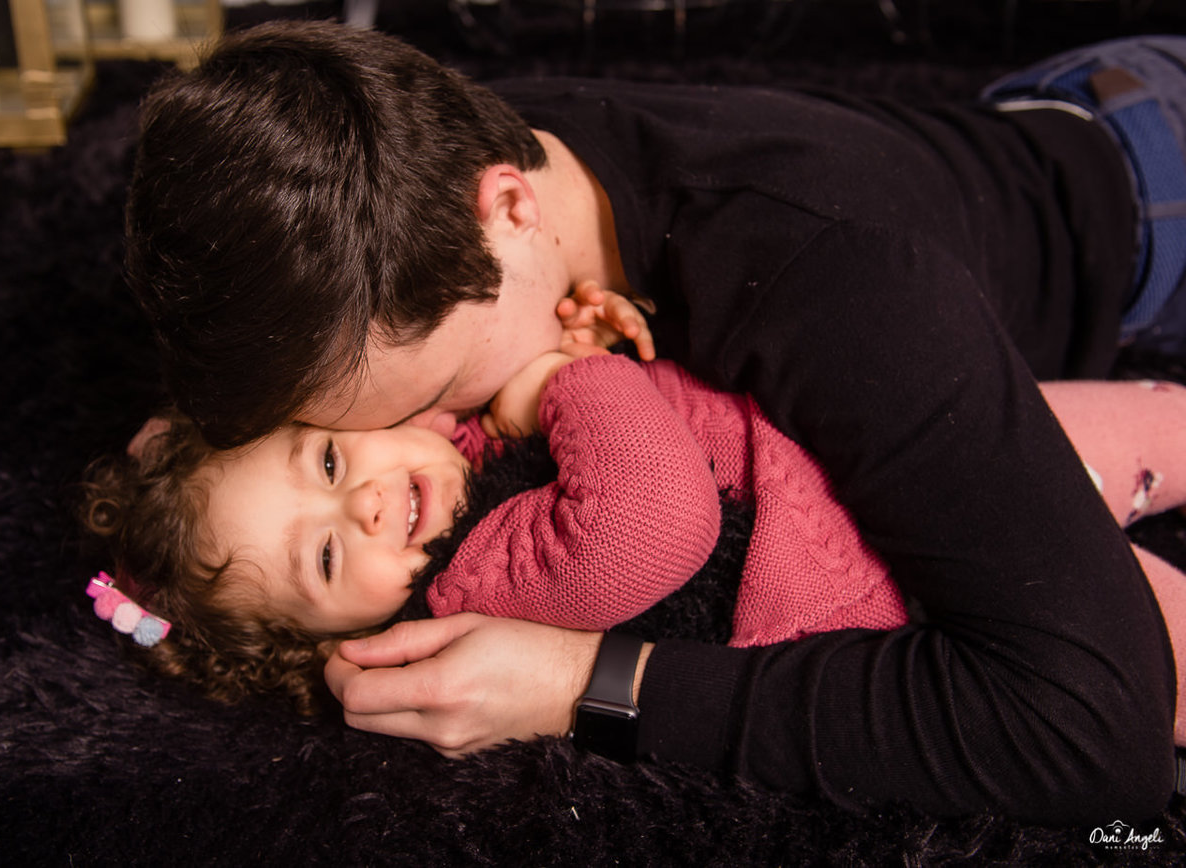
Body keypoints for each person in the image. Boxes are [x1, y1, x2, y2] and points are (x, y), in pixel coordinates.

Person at [121, 20, 1186, 819]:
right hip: (1046, 114)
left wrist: (580, 684)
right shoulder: (402, 166)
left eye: (432, 398)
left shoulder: (842, 287)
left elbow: (1098, 734)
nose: (441, 436)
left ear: (508, 208)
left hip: (1154, 202)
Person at [84, 349, 1186, 739]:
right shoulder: (478, 574)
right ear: (332, 637)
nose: (364, 507)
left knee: (1146, 423)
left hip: (863, 444)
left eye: (329, 464)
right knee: (1144, 652)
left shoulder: (459, 424)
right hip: (875, 560)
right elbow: (656, 521)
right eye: (326, 559)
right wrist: (567, 376)